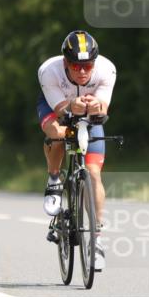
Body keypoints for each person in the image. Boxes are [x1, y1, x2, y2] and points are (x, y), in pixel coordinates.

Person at [37, 30, 116, 271]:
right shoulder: (49, 71)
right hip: (57, 105)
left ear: (95, 63)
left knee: (93, 173)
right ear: (65, 63)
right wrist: (71, 105)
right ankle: (54, 180)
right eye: (75, 65)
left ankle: (97, 239)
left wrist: (95, 106)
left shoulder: (106, 69)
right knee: (57, 134)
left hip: (88, 115)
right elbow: (60, 109)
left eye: (87, 66)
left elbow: (102, 109)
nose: (82, 72)